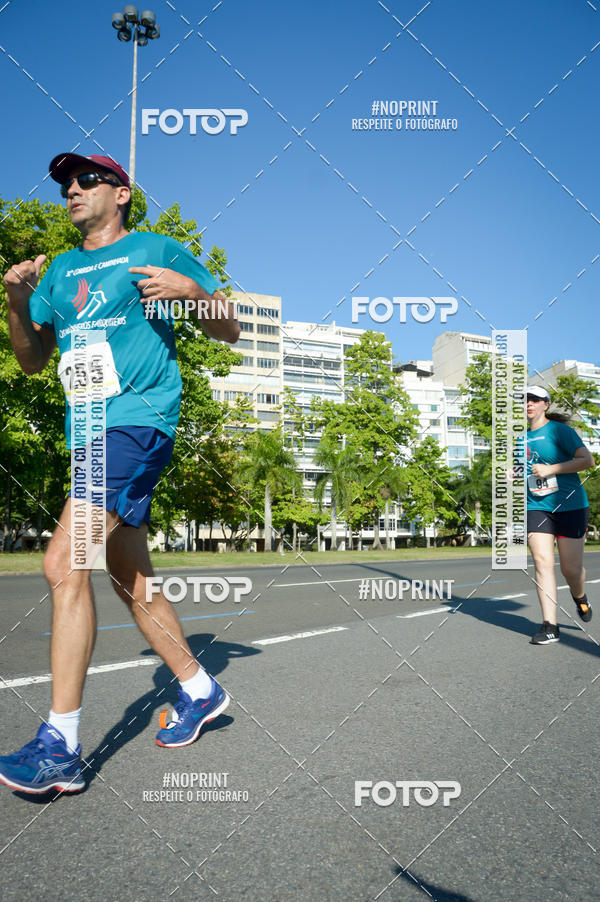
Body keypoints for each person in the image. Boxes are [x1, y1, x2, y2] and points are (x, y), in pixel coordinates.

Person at [0, 153, 240, 794]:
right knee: (127, 576)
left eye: (86, 180)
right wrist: (18, 304)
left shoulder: (157, 248)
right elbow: (30, 361)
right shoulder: (62, 270)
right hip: (89, 433)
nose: (71, 190)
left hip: (136, 421)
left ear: (122, 192)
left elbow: (230, 332)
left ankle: (62, 746)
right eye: (64, 184)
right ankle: (198, 687)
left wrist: (194, 295)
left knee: (62, 563)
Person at [526, 385, 594, 645]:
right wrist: (512, 473)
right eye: (525, 400)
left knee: (571, 569)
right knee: (542, 562)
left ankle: (580, 597)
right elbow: (524, 470)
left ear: (546, 404)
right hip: (537, 506)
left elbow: (587, 461)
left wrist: (550, 469)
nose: (528, 403)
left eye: (534, 399)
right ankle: (550, 625)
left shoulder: (560, 431)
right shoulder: (519, 438)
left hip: (570, 505)